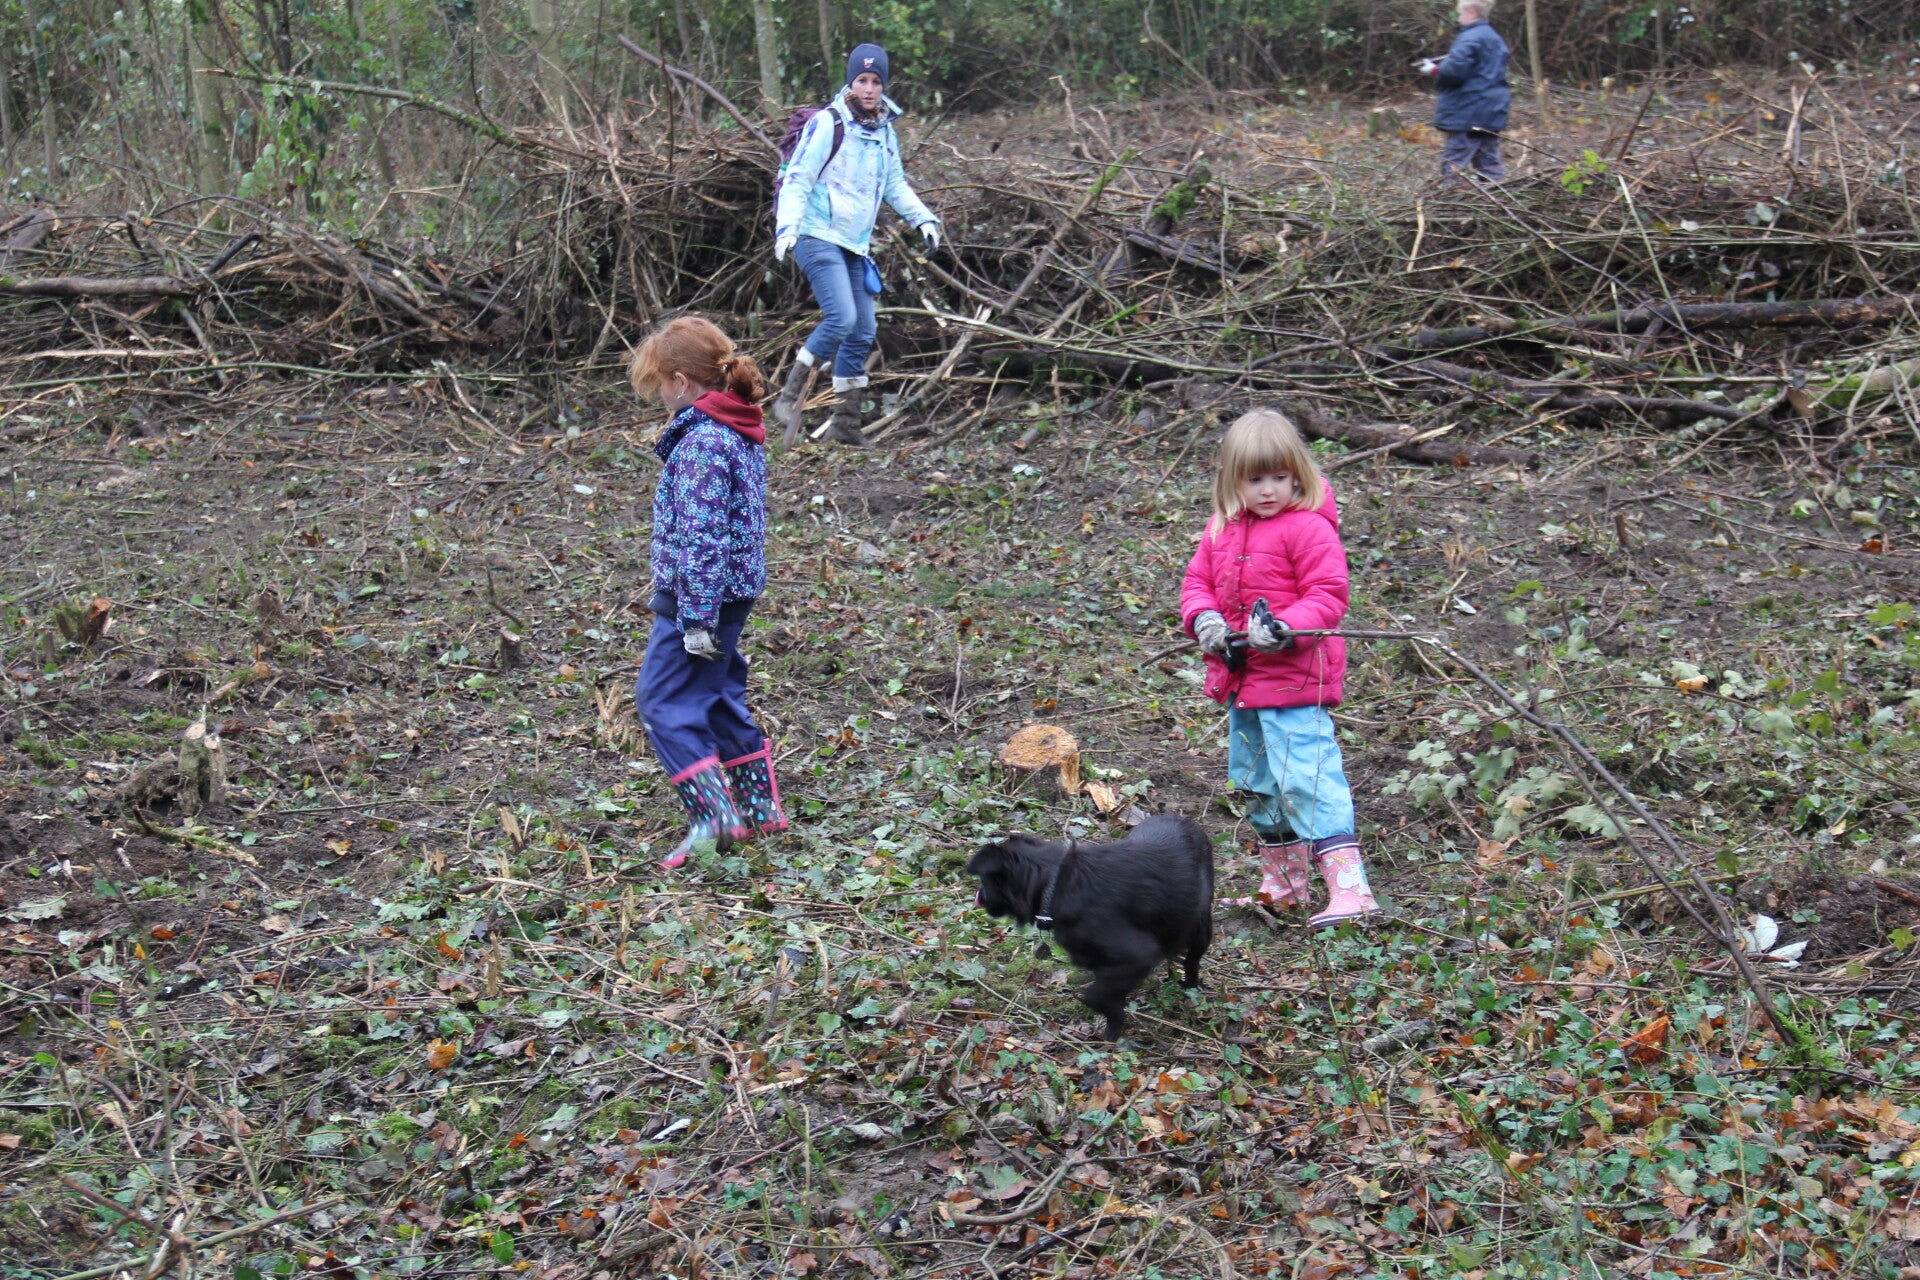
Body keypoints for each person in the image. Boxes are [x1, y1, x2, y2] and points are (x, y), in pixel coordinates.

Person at [1179, 409, 1382, 927]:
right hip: (1241, 679)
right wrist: (1204, 619)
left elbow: (1328, 594)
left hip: (1294, 682)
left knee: (1307, 777)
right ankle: (1285, 887)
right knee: (1256, 781)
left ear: (1298, 475)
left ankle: (1352, 890)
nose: (1268, 490)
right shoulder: (1221, 528)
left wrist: (1287, 626)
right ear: (1232, 480)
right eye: (1254, 479)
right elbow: (1197, 582)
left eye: (1279, 477)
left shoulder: (1309, 528)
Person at [629, 316, 789, 868]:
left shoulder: (702, 442)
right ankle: (759, 807)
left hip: (702, 599)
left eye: (659, 384)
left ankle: (714, 819)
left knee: (661, 700)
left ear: (680, 381)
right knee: (716, 696)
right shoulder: (735, 428)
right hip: (730, 593)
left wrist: (695, 619)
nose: (659, 396)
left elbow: (704, 537)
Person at [770, 42, 941, 447]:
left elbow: (895, 184)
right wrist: (787, 229)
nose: (868, 89)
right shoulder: (828, 123)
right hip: (815, 234)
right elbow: (798, 177)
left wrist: (923, 219)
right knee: (841, 318)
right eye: (861, 80)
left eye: (876, 81)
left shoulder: (885, 131)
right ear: (850, 83)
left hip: (853, 244)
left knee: (862, 330)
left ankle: (845, 425)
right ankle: (789, 397)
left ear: (884, 86)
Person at [1419, 0, 1511, 182]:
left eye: (1460, 14)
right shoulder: (1494, 37)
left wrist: (1435, 70)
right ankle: (1499, 194)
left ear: (1472, 13)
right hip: (1491, 110)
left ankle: (1449, 197)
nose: (1459, 18)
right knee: (1488, 162)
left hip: (1467, 111)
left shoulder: (1469, 38)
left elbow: (1454, 72)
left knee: (1453, 164)